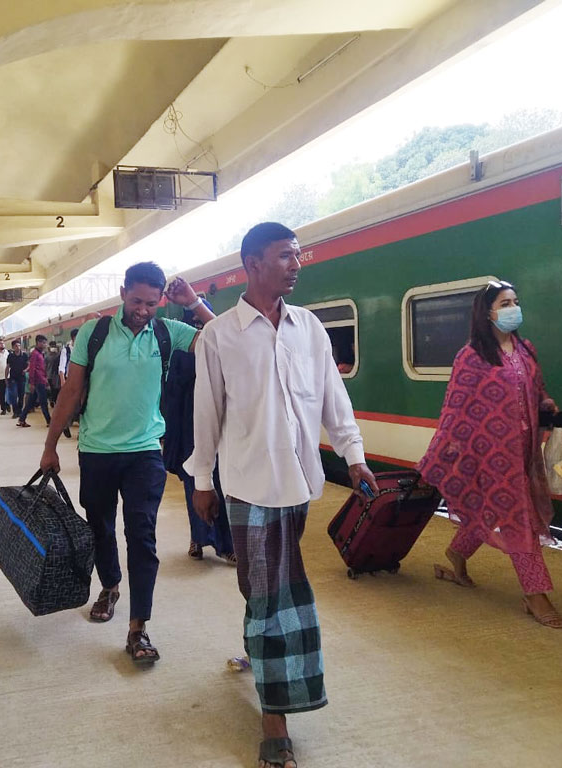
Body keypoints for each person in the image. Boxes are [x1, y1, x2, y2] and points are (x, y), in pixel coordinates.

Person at [185, 222, 376, 768]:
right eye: (285, 256)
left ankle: (256, 646)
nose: (296, 264)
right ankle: (275, 721)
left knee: (265, 585)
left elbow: (333, 399)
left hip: (299, 483)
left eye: (298, 255)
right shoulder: (219, 335)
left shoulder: (309, 328)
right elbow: (208, 414)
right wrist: (201, 481)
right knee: (275, 595)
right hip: (248, 483)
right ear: (253, 263)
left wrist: (353, 453)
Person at [40, 263, 213, 666]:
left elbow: (227, 338)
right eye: (136, 301)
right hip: (97, 449)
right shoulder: (94, 332)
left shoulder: (170, 331)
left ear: (161, 301)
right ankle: (111, 585)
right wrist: (51, 445)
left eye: (152, 303)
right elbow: (72, 388)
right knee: (100, 526)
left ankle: (138, 627)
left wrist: (194, 303)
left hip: (144, 451)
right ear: (122, 293)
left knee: (142, 535)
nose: (142, 310)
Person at [417, 279, 562, 629]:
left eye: (515, 301)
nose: (513, 308)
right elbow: (455, 406)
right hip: (492, 453)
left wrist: (547, 406)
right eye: (505, 303)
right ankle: (535, 593)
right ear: (488, 313)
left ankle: (457, 552)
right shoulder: (471, 357)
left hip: (525, 451)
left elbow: (537, 388)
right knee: (519, 518)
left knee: (492, 508)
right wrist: (444, 449)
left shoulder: (525, 350)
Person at [161, 300, 236, 565]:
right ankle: (198, 538)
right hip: (187, 427)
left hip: (220, 426)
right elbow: (170, 393)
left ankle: (227, 545)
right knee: (195, 484)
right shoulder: (182, 351)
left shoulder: (220, 348)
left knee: (223, 485)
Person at [18, 334, 51, 427]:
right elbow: (32, 369)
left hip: (41, 380)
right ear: (38, 343)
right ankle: (49, 421)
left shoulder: (40, 353)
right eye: (44, 343)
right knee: (43, 401)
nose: (45, 345)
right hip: (38, 381)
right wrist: (32, 383)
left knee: (30, 402)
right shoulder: (35, 354)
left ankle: (22, 419)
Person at [58, 328, 79, 439]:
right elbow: (61, 367)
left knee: (82, 405)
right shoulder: (66, 350)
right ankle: (65, 424)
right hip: (70, 380)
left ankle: (82, 432)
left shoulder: (83, 348)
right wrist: (63, 381)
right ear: (73, 338)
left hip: (82, 380)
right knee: (71, 405)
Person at [6, 339, 29, 420]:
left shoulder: (24, 355)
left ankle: (19, 411)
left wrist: (25, 370)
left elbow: (29, 365)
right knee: (14, 395)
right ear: (13, 347)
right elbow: (8, 367)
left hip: (22, 378)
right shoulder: (10, 356)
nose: (18, 347)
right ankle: (15, 411)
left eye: (19, 345)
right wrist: (6, 378)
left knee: (21, 395)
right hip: (13, 378)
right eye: (16, 346)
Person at [45, 342, 62, 406]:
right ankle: (52, 400)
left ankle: (55, 400)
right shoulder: (47, 356)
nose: (53, 348)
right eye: (51, 346)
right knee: (52, 389)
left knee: (57, 389)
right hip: (49, 375)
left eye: (54, 346)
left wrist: (58, 349)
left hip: (56, 375)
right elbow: (45, 366)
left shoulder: (58, 355)